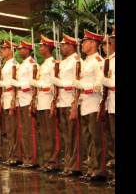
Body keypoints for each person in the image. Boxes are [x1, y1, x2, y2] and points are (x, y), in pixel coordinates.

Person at [74, 30, 106, 182]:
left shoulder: (98, 60)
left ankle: (99, 170)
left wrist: (83, 86)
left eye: (85, 42)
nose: (82, 44)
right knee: (87, 138)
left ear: (93, 43)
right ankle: (92, 168)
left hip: (94, 104)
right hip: (85, 104)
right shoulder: (85, 61)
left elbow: (99, 85)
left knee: (96, 138)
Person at [51, 33, 83, 177]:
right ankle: (68, 164)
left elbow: (76, 84)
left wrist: (61, 83)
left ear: (71, 46)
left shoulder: (76, 61)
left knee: (73, 135)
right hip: (61, 102)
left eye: (64, 45)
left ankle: (75, 166)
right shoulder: (63, 62)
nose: (61, 47)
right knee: (66, 136)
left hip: (71, 101)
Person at [30, 35, 57, 171]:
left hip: (48, 101)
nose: (40, 48)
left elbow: (53, 85)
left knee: (51, 133)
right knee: (44, 133)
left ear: (48, 48)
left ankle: (53, 162)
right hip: (41, 102)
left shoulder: (53, 64)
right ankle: (47, 161)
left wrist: (38, 84)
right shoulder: (43, 64)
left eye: (42, 46)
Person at [13, 40, 39, 168]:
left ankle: (32, 159)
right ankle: (26, 158)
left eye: (21, 49)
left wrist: (20, 86)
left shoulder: (31, 64)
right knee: (24, 131)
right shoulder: (23, 64)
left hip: (28, 99)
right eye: (18, 49)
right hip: (21, 100)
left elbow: (33, 82)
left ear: (28, 50)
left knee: (30, 131)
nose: (19, 51)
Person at [0, 40, 21, 166]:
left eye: (5, 49)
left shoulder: (14, 64)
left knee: (13, 129)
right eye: (2, 49)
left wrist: (12, 101)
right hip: (5, 97)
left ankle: (15, 156)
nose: (2, 51)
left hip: (11, 96)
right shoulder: (6, 64)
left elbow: (13, 83)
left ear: (11, 50)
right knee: (8, 130)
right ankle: (11, 154)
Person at [102, 28, 115, 186]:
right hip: (111, 104)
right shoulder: (108, 60)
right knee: (112, 138)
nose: (107, 45)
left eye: (109, 42)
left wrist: (106, 81)